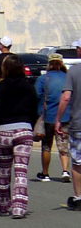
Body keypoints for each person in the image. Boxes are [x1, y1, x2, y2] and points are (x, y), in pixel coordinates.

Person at [0, 54, 39, 218]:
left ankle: (3, 205)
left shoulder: (1, 87)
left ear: (5, 69)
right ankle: (19, 207)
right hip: (23, 130)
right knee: (21, 172)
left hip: (3, 131)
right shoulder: (29, 86)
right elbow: (34, 110)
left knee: (4, 171)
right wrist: (31, 126)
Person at [35, 53, 73, 182]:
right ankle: (65, 171)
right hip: (66, 116)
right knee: (64, 145)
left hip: (48, 116)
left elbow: (37, 95)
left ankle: (45, 173)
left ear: (49, 64)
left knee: (46, 146)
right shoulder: (68, 78)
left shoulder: (43, 79)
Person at [55, 40, 81, 211]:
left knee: (78, 162)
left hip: (78, 124)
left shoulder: (74, 71)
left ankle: (79, 196)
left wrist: (58, 118)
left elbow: (65, 97)